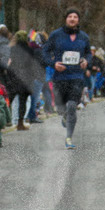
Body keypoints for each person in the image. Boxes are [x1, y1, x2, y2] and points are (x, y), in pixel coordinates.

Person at [43, 8, 91, 150]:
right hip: (60, 77)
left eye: (75, 17)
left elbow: (88, 53)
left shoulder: (83, 37)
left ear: (78, 20)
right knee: (61, 108)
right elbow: (45, 52)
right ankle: (64, 115)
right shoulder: (56, 35)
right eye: (70, 16)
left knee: (71, 106)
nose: (72, 19)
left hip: (76, 76)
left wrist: (86, 61)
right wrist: (53, 63)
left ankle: (69, 137)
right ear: (65, 19)